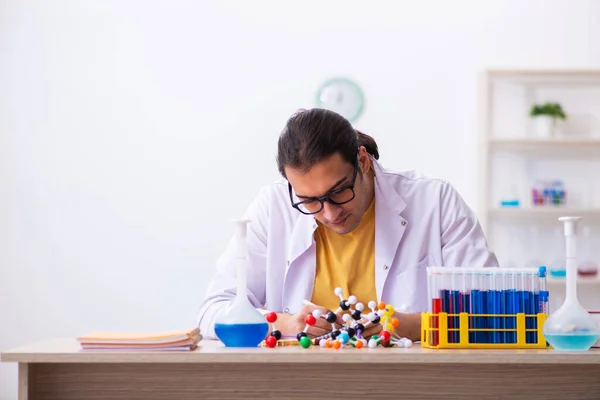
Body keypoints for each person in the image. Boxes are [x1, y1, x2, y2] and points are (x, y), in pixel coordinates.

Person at [197, 108, 498, 342]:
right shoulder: (273, 206)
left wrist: (408, 326)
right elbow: (212, 312)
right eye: (310, 200)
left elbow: (493, 311)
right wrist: (286, 323)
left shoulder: (435, 201)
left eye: (339, 191)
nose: (329, 214)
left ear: (363, 161)